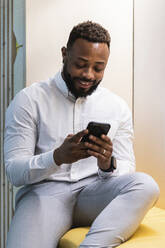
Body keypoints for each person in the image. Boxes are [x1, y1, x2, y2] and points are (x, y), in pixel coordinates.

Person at [4, 21, 159, 248]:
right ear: (65, 54)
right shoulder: (29, 100)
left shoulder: (116, 106)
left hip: (94, 193)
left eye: (98, 68)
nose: (88, 74)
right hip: (44, 195)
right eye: (81, 64)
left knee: (145, 185)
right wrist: (57, 157)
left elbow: (127, 167)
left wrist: (107, 164)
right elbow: (14, 171)